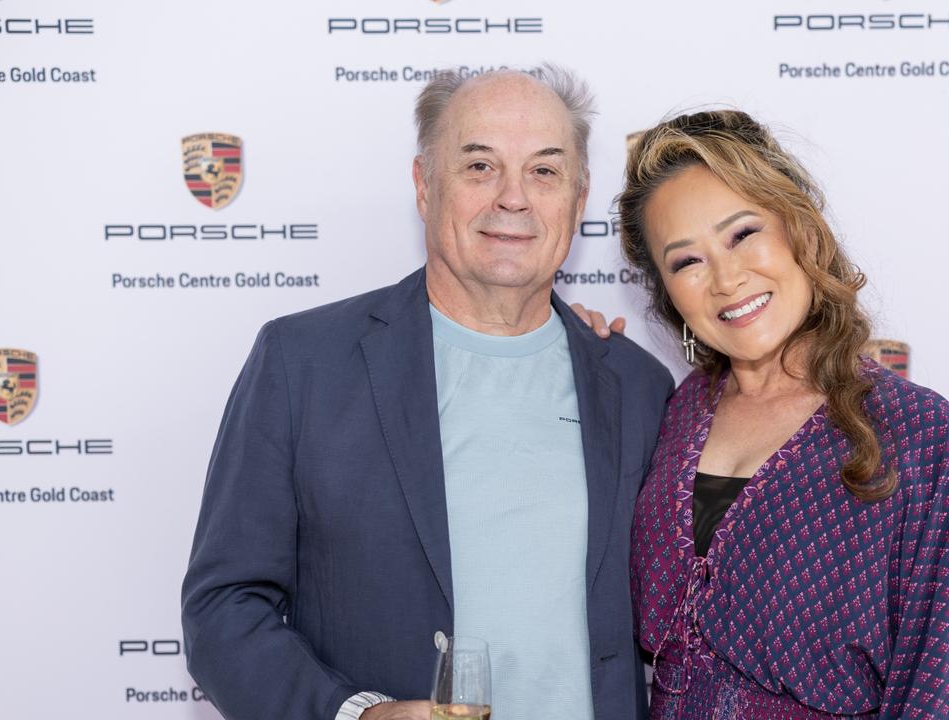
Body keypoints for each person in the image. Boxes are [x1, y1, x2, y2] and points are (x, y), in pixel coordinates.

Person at [180, 66, 673, 720]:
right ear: (424, 185)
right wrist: (356, 714)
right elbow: (223, 609)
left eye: (545, 171)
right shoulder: (302, 364)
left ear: (579, 201)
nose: (513, 198)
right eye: (478, 166)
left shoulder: (638, 385)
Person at [620, 111, 949, 718]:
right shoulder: (674, 414)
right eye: (685, 262)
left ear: (799, 229)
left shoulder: (922, 438)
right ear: (667, 292)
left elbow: (947, 693)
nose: (725, 278)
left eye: (742, 234)